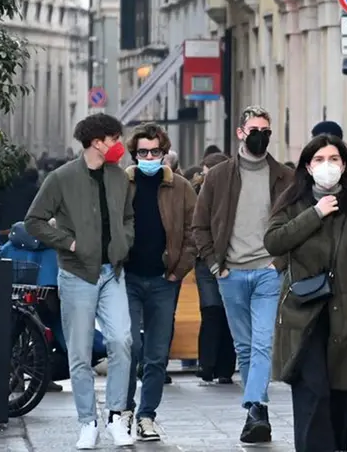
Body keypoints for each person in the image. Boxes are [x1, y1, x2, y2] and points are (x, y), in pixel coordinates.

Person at [263, 134, 347, 452]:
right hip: (304, 314)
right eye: (319, 160)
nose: (326, 166)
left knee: (337, 398)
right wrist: (315, 214)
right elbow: (274, 241)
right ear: (307, 166)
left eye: (333, 159)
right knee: (312, 395)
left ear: (344, 165)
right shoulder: (294, 203)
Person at [24, 113, 135, 449]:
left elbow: (128, 218)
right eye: (114, 138)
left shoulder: (119, 179)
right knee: (80, 353)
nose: (119, 145)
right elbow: (34, 220)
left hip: (113, 273)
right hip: (76, 275)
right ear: (97, 141)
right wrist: (69, 243)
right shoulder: (61, 178)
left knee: (122, 341)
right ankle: (88, 422)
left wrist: (123, 242)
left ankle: (116, 415)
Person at [192, 105, 293, 443]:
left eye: (265, 129)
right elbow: (200, 224)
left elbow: (295, 225)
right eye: (253, 129)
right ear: (240, 133)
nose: (260, 134)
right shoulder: (219, 176)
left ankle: (256, 407)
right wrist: (214, 264)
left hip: (268, 271)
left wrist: (279, 263)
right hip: (230, 273)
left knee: (263, 342)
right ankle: (255, 414)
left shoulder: (284, 177)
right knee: (246, 347)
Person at [121, 123, 198, 441]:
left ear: (164, 153)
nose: (149, 157)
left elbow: (195, 232)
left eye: (155, 151)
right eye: (143, 152)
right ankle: (123, 409)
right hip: (126, 278)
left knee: (156, 352)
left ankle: (146, 416)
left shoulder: (180, 187)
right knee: (128, 346)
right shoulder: (121, 184)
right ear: (134, 154)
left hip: (165, 280)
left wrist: (178, 270)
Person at [192, 152, 236, 384]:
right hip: (205, 261)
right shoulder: (199, 194)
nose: (205, 177)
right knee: (211, 310)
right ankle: (206, 364)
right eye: (204, 173)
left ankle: (225, 368)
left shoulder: (234, 195)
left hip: (230, 259)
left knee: (229, 313)